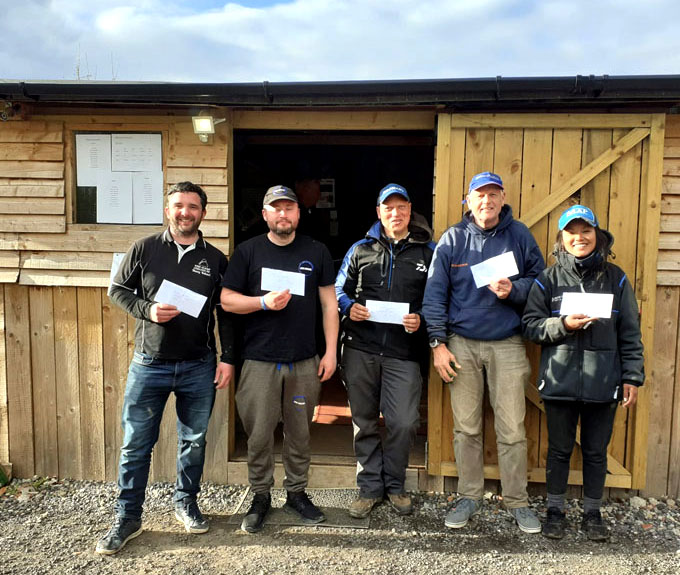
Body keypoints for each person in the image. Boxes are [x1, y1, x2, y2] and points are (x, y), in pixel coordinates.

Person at [96, 181, 235, 555]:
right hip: (149, 364)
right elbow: (117, 290)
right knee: (135, 445)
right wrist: (148, 310)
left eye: (193, 206)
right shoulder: (144, 248)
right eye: (178, 205)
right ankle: (128, 517)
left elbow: (227, 313)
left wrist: (228, 358)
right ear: (167, 209)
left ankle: (186, 503)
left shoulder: (217, 259)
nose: (185, 212)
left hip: (198, 365)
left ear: (203, 213)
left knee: (193, 442)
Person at [421, 171, 545, 532]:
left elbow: (541, 281)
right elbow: (434, 295)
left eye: (493, 194)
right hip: (461, 344)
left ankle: (518, 501)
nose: (486, 201)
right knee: (466, 428)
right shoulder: (452, 239)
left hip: (507, 343)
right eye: (480, 195)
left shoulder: (519, 235)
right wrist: (437, 344)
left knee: (512, 429)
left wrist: (515, 290)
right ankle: (470, 495)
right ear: (468, 200)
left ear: (503, 198)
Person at [522, 204, 644, 541]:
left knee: (595, 452)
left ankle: (592, 513)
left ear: (597, 235)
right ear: (562, 240)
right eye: (571, 233)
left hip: (603, 383)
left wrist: (632, 376)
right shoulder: (547, 280)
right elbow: (530, 326)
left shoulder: (616, 278)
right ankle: (555, 511)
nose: (580, 238)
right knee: (559, 450)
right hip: (559, 381)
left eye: (586, 231)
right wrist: (562, 325)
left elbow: (630, 331)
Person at [220, 185, 339, 532]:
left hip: (303, 362)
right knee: (258, 434)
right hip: (259, 361)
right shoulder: (248, 252)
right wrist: (262, 302)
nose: (283, 214)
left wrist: (331, 352)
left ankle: (297, 493)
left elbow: (330, 305)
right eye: (276, 209)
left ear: (298, 214)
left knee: (300, 431)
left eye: (289, 208)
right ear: (265, 215)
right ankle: (260, 495)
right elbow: (226, 300)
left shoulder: (316, 252)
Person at [335, 184, 435, 518]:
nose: (395, 213)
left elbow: (435, 300)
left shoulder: (427, 252)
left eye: (401, 207)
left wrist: (420, 318)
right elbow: (338, 289)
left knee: (403, 422)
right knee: (363, 421)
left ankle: (395, 484)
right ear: (378, 212)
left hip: (403, 352)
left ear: (410, 210)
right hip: (360, 348)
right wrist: (349, 307)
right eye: (388, 208)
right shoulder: (360, 249)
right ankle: (369, 488)